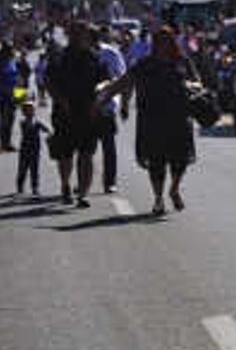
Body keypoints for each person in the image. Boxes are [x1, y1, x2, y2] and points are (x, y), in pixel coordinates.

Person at [114, 25, 203, 212]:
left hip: (179, 119)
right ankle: (158, 198)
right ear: (154, 44)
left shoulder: (182, 62)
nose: (163, 45)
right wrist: (114, 100)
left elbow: (198, 83)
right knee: (156, 162)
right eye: (159, 41)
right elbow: (126, 81)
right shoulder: (145, 64)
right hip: (152, 120)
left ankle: (174, 190)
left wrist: (191, 85)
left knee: (180, 160)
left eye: (167, 41)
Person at [42, 20, 112, 203]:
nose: (79, 37)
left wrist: (99, 96)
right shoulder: (59, 56)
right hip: (64, 111)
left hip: (88, 111)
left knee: (86, 153)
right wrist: (60, 100)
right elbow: (48, 81)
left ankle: (82, 193)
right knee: (65, 154)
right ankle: (65, 184)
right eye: (75, 33)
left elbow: (106, 80)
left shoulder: (94, 57)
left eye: (83, 33)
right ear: (69, 35)